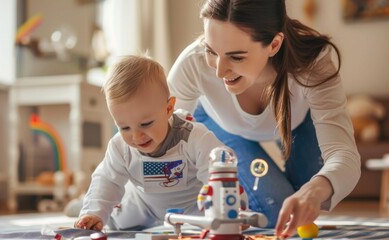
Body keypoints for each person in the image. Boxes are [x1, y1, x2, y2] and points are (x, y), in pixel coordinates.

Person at [167, 0, 361, 237]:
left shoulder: (313, 63)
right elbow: (164, 141)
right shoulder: (192, 64)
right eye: (211, 51)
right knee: (276, 210)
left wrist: (314, 189)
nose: (219, 71)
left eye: (236, 57)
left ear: (274, 44)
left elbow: (345, 155)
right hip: (218, 126)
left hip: (298, 123)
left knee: (316, 192)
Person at [74, 55, 224, 231]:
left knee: (212, 223)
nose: (137, 137)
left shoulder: (193, 137)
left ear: (168, 109)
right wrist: (95, 213)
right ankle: (82, 205)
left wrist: (222, 206)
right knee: (113, 220)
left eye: (146, 124)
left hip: (189, 208)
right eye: (124, 128)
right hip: (141, 204)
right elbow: (107, 180)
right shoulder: (120, 147)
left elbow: (218, 170)